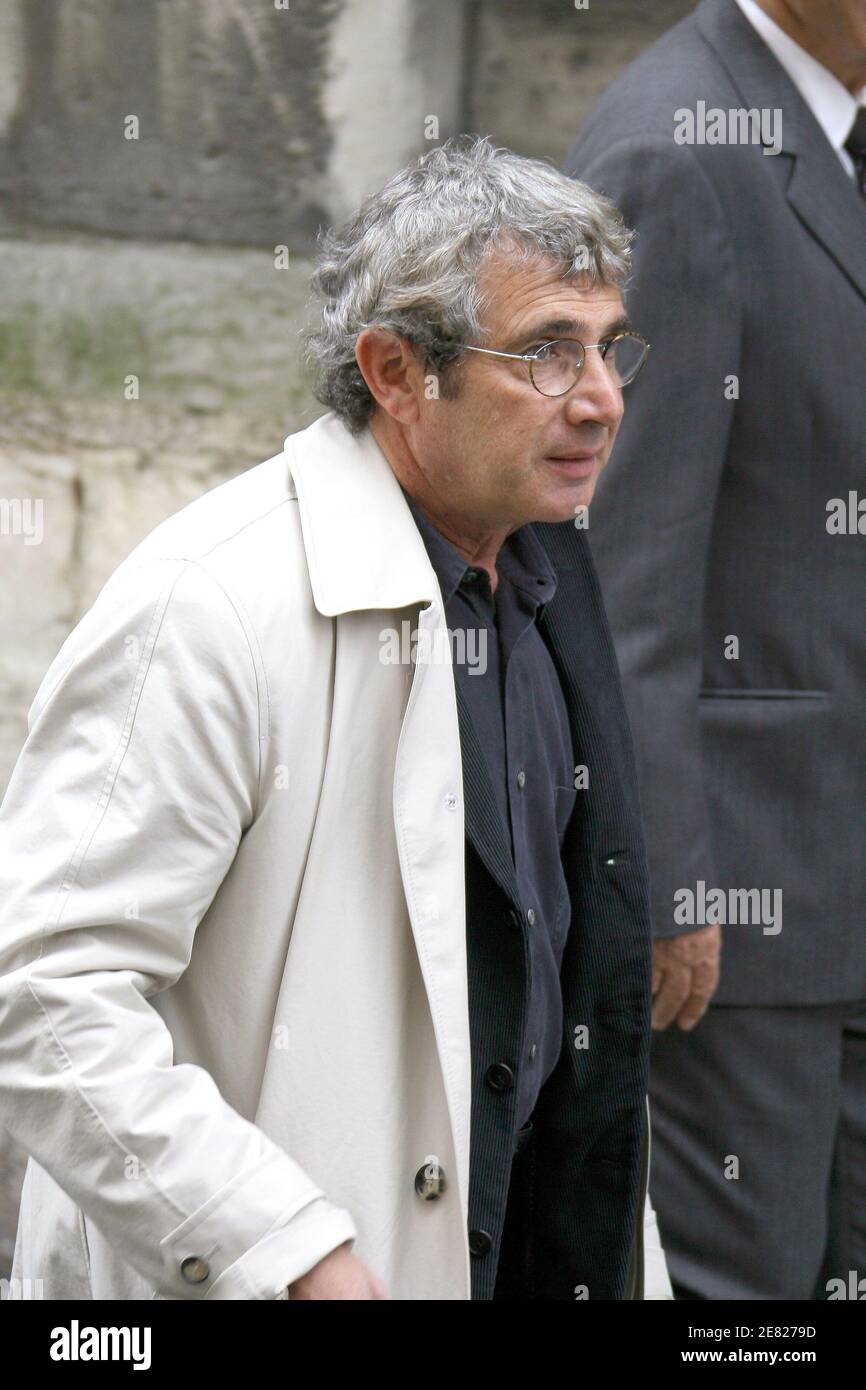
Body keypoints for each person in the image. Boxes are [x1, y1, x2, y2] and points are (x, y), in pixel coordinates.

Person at [0, 135, 670, 1301]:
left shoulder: (547, 575)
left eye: (609, 349)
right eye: (548, 355)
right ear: (397, 370)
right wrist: (283, 1249)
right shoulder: (210, 601)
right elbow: (48, 991)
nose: (603, 400)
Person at [563, 0, 866, 1299]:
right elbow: (621, 566)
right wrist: (668, 884)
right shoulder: (673, 147)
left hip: (839, 871)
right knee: (751, 1299)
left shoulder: (831, 125)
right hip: (747, 904)